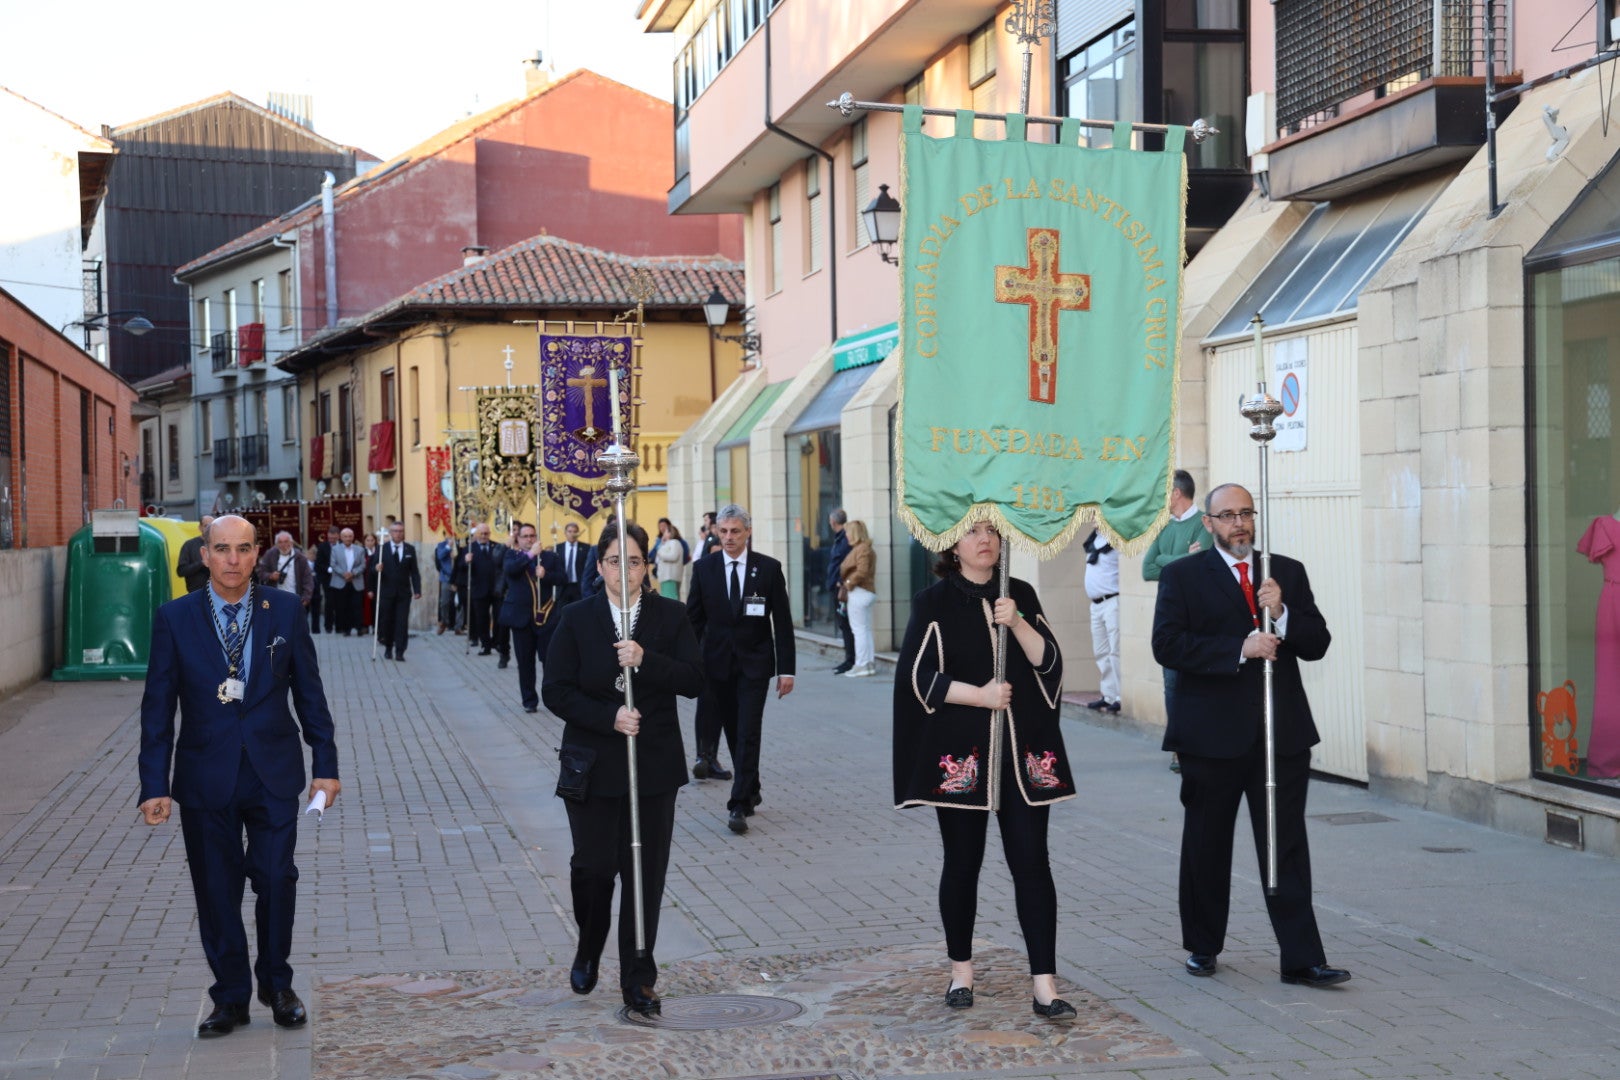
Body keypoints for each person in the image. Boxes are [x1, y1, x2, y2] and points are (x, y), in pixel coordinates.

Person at [137, 514, 341, 1038]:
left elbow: (311, 694)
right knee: (216, 890)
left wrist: (327, 766)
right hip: (206, 775)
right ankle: (230, 997)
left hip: (273, 771)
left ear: (258, 556)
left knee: (277, 878)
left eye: (244, 549)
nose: (233, 559)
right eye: (222, 549)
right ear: (205, 554)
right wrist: (154, 784)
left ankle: (277, 984)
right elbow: (157, 709)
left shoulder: (285, 611)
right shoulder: (174, 618)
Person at [1151, 482, 1349, 989]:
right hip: (1210, 740)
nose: (1238, 524)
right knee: (1206, 846)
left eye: (1246, 514)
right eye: (1227, 516)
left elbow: (1319, 643)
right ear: (1209, 523)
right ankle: (1203, 945)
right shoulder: (1182, 576)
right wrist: (1239, 648)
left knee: (1285, 847)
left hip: (1279, 736)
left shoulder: (1284, 572)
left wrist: (1281, 613)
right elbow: (1167, 645)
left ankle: (1302, 958)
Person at [893, 519, 1077, 1020]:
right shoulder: (933, 602)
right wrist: (980, 696)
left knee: (1033, 867)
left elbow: (1051, 665)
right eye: (973, 531)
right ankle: (961, 972)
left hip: (1022, 757)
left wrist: (1017, 621)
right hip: (964, 760)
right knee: (962, 865)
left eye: (993, 531)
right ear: (952, 543)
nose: (985, 540)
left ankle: (1044, 985)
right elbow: (917, 675)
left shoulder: (1018, 592)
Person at [541, 521, 703, 1017]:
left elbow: (696, 680)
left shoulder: (670, 617)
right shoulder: (576, 618)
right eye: (615, 560)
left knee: (643, 873)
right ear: (600, 566)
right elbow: (557, 690)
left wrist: (646, 659)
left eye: (634, 561)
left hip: (652, 766)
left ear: (646, 566)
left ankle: (639, 976)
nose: (625, 570)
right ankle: (590, 944)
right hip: (592, 765)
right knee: (593, 868)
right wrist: (609, 717)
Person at [684, 503, 795, 834]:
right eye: (724, 531)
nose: (729, 537)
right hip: (716, 665)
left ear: (748, 532)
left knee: (748, 730)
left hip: (755, 666)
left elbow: (784, 623)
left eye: (735, 531)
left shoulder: (769, 569)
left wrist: (787, 670)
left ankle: (738, 804)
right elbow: (693, 620)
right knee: (734, 732)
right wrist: (685, 662)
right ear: (716, 532)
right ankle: (752, 787)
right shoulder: (704, 569)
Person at [1142, 469, 1213, 773]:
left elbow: (1202, 564)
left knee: (1198, 684)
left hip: (1198, 620)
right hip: (1169, 620)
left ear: (1176, 494)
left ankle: (1202, 744)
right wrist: (1181, 558)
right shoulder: (1164, 527)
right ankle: (1179, 748)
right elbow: (1147, 569)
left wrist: (1166, 561)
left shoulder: (1204, 526)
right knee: (1171, 685)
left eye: (1163, 492)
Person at [501, 522, 563, 713]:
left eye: (532, 536)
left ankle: (550, 698)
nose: (529, 539)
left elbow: (563, 578)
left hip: (545, 617)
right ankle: (529, 700)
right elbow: (510, 570)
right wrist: (530, 555)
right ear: (518, 539)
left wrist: (546, 575)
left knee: (549, 661)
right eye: (525, 536)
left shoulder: (550, 557)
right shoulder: (512, 555)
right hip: (521, 618)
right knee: (525, 662)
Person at [1082, 527, 1122, 714]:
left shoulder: (1116, 537)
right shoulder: (1094, 538)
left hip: (1112, 600)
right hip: (1095, 604)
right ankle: (1108, 695)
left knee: (1115, 651)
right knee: (1101, 651)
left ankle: (1120, 696)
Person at [376, 521, 422, 661]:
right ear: (390, 533)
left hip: (403, 593)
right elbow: (372, 570)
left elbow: (414, 572)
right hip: (387, 592)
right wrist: (376, 568)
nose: (398, 534)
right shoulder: (382, 549)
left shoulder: (409, 549)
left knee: (402, 622)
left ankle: (400, 651)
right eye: (395, 531)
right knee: (387, 621)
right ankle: (388, 647)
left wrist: (417, 589)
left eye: (401, 531)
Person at [838, 519, 877, 677]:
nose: (846, 535)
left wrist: (847, 584)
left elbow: (862, 571)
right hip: (864, 592)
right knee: (865, 630)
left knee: (859, 630)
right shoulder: (864, 548)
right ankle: (868, 664)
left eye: (848, 532)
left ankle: (861, 664)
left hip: (860, 592)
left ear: (854, 533)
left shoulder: (862, 549)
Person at [825, 509, 856, 674]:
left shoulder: (844, 540)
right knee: (844, 625)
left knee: (846, 625)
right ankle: (849, 659)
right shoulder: (840, 539)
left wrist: (841, 582)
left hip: (841, 589)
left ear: (833, 522)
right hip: (836, 587)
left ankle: (851, 660)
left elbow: (847, 565)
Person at [466, 523, 502, 654]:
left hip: (496, 589)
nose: (484, 536)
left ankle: (496, 641)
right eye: (481, 533)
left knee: (499, 617)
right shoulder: (470, 548)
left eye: (486, 533)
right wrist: (466, 561)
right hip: (479, 589)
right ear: (476, 534)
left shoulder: (496, 546)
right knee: (482, 619)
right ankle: (485, 645)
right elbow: (461, 567)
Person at [256, 531, 313, 609]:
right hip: (275, 599)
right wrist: (270, 576)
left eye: (286, 541)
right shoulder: (270, 554)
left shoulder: (300, 557)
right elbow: (260, 571)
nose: (283, 545)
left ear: (291, 543)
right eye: (280, 542)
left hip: (295, 598)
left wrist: (306, 597)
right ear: (276, 544)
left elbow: (308, 579)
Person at [327, 528, 365, 636]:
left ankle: (359, 628)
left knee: (357, 606)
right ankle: (346, 629)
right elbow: (333, 564)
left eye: (350, 536)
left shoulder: (360, 549)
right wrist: (344, 574)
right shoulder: (335, 549)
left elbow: (363, 565)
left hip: (356, 581)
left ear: (353, 537)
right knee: (343, 606)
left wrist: (353, 573)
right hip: (340, 581)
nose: (348, 538)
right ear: (341, 537)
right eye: (345, 536)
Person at [650, 518, 690, 600]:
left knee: (669, 598)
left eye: (666, 531)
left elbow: (673, 556)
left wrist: (660, 551)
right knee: (668, 597)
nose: (663, 533)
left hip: (669, 576)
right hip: (666, 576)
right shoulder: (668, 543)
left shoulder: (674, 542)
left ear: (671, 532)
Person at [175, 515, 215, 594]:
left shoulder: (220, 545)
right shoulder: (189, 545)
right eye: (206, 525)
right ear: (200, 527)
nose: (209, 528)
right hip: (196, 594)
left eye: (212, 526)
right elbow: (181, 571)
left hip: (218, 595)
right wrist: (201, 563)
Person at [555, 521, 592, 608]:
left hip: (578, 586)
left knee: (579, 611)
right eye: (570, 531)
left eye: (575, 531)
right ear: (565, 533)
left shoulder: (586, 548)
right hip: (563, 587)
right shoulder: (558, 548)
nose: (572, 534)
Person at [434, 530, 463, 635]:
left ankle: (458, 626)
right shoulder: (441, 545)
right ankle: (445, 621)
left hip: (458, 578)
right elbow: (440, 556)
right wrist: (448, 547)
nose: (451, 536)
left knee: (460, 602)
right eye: (448, 534)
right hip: (446, 578)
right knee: (444, 602)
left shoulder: (460, 545)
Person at [311, 525, 337, 634]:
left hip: (341, 577)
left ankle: (340, 624)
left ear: (338, 536)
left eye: (334, 538)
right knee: (329, 602)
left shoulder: (341, 545)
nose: (332, 540)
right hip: (328, 579)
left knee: (340, 602)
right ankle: (328, 626)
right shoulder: (322, 547)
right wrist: (328, 569)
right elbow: (318, 565)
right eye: (330, 538)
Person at [360, 531, 380, 632]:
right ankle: (365, 624)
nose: (370, 542)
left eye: (372, 540)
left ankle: (375, 625)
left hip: (376, 580)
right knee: (365, 604)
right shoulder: (361, 552)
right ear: (364, 541)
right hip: (364, 579)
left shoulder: (378, 552)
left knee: (375, 604)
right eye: (368, 540)